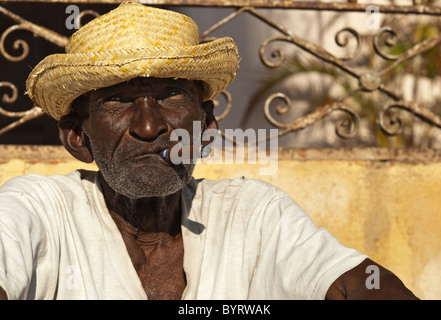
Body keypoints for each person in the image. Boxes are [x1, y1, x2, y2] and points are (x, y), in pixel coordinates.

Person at [0, 2, 418, 300]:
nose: (150, 126)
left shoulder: (251, 213)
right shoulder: (39, 210)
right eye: (118, 100)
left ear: (206, 126)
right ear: (77, 137)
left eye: (172, 94)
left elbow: (355, 281)